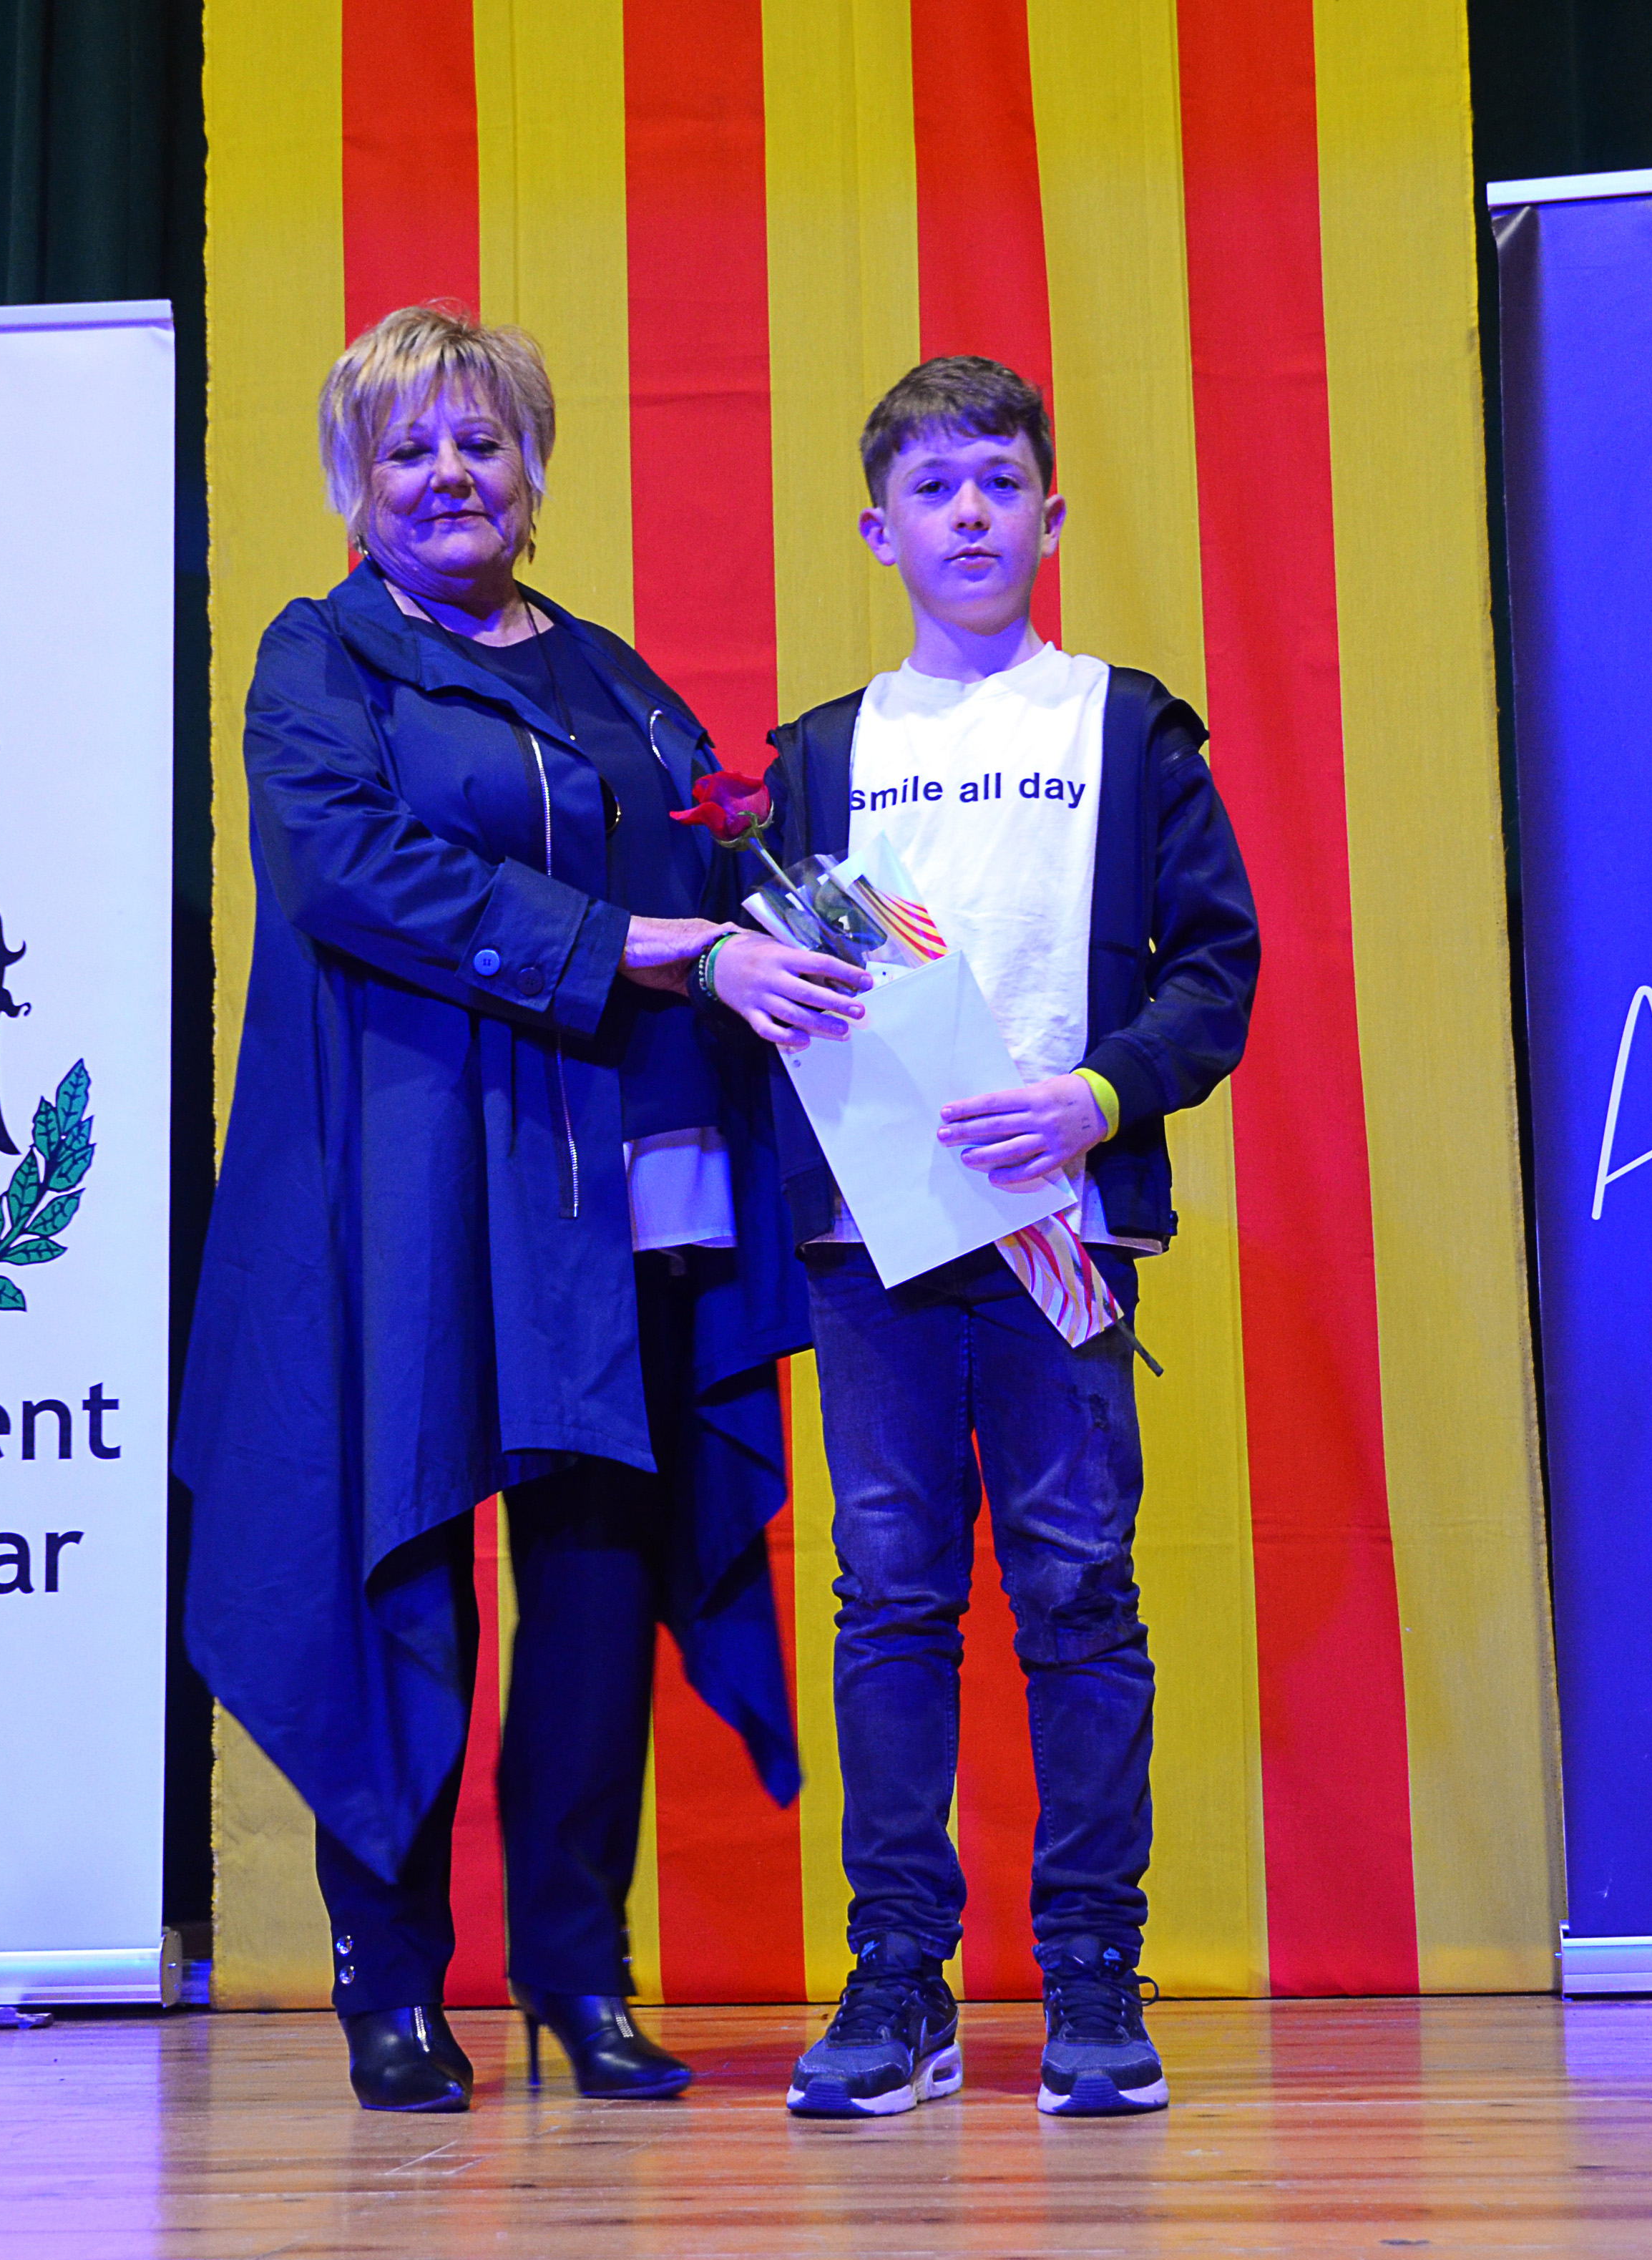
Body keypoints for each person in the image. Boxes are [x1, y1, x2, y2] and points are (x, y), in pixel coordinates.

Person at [175, 304, 868, 2114]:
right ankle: (393, 1985)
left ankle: (578, 1972)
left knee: (594, 1591)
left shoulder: (612, 678)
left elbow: (723, 856)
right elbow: (352, 870)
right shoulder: (320, 660)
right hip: (410, 1194)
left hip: (621, 1191)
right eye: (407, 449)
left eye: (479, 442)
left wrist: (859, 925)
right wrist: (644, 947)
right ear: (354, 482)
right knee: (403, 1563)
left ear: (533, 465)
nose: (449, 477)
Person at [761, 357, 1258, 2120]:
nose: (966, 514)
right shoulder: (816, 758)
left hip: (1063, 1226)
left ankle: (1093, 1978)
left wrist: (1097, 1099)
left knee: (1075, 1588)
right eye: (932, 487)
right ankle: (898, 1978)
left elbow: (1217, 968)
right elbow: (782, 986)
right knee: (891, 1596)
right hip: (875, 1241)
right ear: (875, 530)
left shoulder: (1126, 728)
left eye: (996, 483)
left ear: (1050, 515)